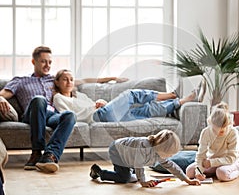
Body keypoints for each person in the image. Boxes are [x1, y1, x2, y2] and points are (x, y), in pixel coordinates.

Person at [0, 46, 126, 173]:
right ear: (34, 62)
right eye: (43, 61)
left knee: (70, 115)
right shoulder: (21, 80)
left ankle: (50, 156)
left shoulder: (54, 79)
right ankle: (36, 153)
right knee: (39, 100)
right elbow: (3, 93)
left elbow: (85, 80)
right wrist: (0, 98)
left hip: (51, 115)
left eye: (50, 62)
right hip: (32, 114)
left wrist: (113, 78)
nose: (47, 65)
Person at [52, 69, 199, 123]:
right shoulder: (59, 98)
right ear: (57, 82)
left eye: (71, 79)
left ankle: (181, 101)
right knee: (131, 94)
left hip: (106, 113)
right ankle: (172, 94)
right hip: (98, 117)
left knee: (147, 110)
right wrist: (93, 107)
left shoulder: (79, 95)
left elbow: (92, 102)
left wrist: (100, 101)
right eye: (65, 79)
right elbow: (67, 117)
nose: (69, 82)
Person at [89, 129, 200, 187]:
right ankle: (98, 172)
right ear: (160, 148)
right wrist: (143, 182)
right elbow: (139, 164)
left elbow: (172, 167)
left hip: (129, 155)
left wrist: (187, 180)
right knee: (124, 178)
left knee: (132, 176)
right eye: (168, 154)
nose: (170, 157)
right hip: (117, 151)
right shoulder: (144, 148)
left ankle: (125, 171)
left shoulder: (159, 153)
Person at [185, 102, 239, 182]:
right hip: (211, 161)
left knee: (222, 174)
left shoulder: (233, 132)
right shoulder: (206, 132)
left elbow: (231, 158)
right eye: (217, 129)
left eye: (223, 128)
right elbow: (200, 156)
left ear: (228, 123)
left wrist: (212, 163)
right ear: (211, 124)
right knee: (189, 172)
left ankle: (236, 170)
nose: (220, 131)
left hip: (229, 162)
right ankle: (214, 172)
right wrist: (199, 172)